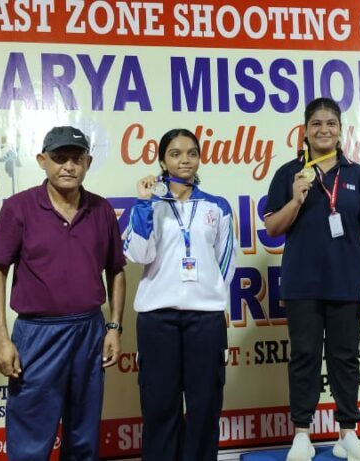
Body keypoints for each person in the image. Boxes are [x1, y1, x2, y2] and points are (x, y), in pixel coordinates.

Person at [0, 126, 127, 460]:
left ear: (87, 163)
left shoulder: (102, 210)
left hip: (89, 331)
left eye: (76, 159)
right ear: (42, 161)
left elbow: (116, 270)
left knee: (84, 438)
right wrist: (2, 340)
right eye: (60, 158)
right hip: (37, 335)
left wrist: (114, 326)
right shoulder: (19, 207)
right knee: (30, 440)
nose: (68, 166)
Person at [264, 98, 360, 461]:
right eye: (316, 123)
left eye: (331, 123)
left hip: (348, 282)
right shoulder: (289, 173)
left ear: (340, 130)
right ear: (305, 131)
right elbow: (272, 228)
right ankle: (302, 433)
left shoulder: (357, 175)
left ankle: (347, 432)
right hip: (302, 284)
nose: (324, 130)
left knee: (345, 358)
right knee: (304, 357)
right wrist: (295, 200)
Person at [123, 128, 236, 460]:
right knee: (159, 407)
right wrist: (144, 205)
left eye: (191, 153)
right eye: (175, 154)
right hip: (158, 319)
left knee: (205, 406)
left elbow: (225, 262)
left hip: (206, 319)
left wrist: (214, 299)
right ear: (162, 161)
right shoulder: (150, 204)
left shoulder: (217, 206)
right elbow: (139, 254)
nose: (184, 160)